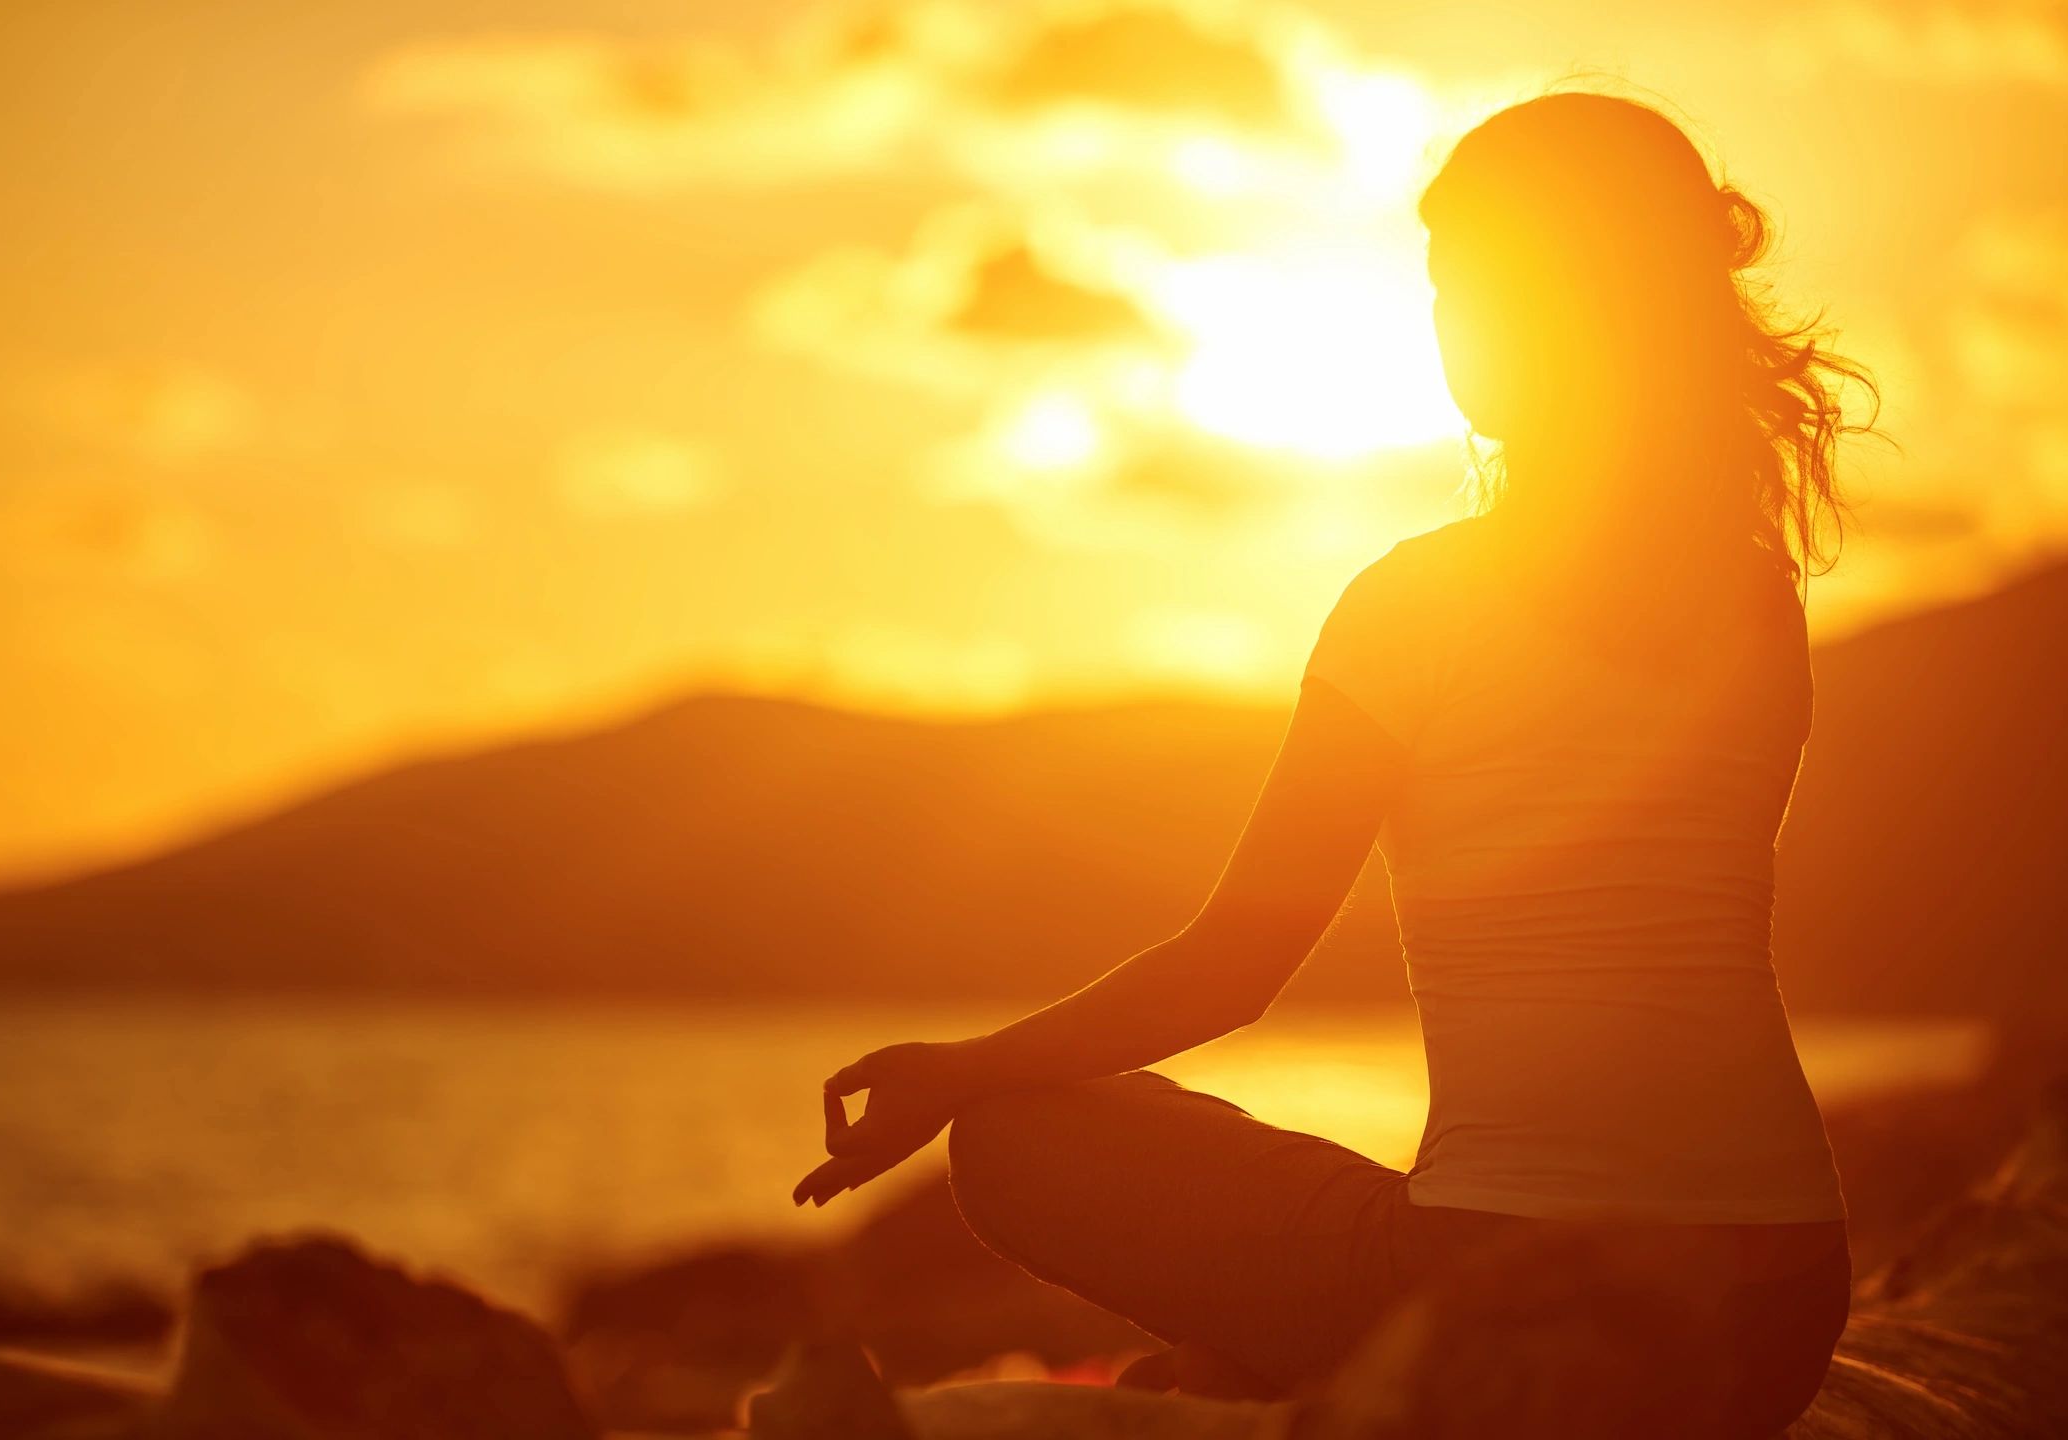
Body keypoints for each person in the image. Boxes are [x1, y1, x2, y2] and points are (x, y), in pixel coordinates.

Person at [793, 91, 1874, 1437]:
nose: (1442, 318)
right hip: (1775, 1303)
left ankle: (1271, 1375)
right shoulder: (1751, 596)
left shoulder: (1415, 604)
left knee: (1021, 1141)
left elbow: (1235, 963)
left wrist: (961, 1072)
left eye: (1469, 280)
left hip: (1511, 1291)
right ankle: (1272, 1367)